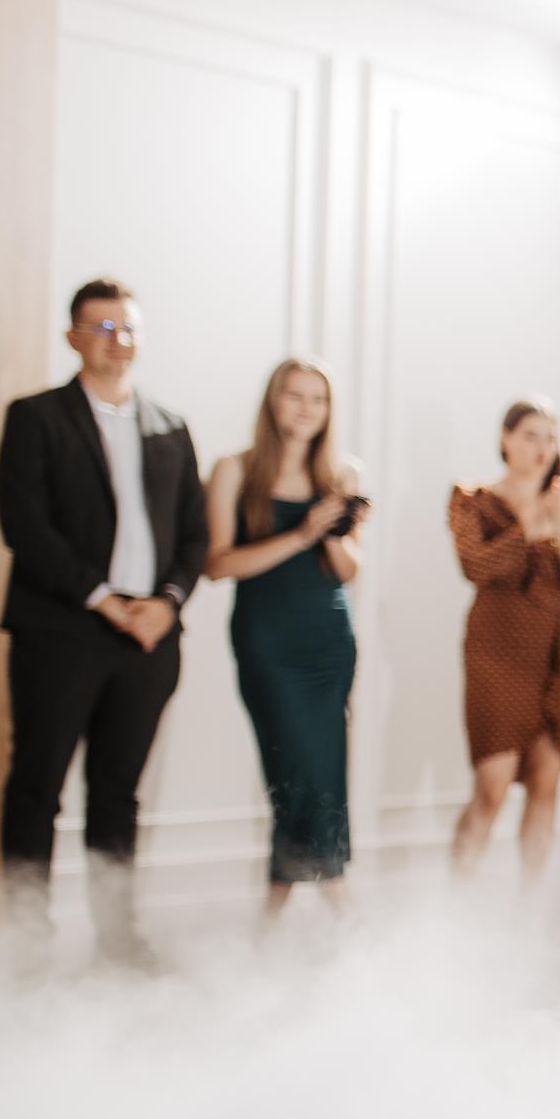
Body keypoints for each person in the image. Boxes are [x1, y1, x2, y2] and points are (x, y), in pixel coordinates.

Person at [0, 279, 208, 961]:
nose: (119, 341)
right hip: (62, 631)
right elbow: (24, 526)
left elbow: (196, 535)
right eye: (104, 328)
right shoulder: (36, 417)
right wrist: (103, 598)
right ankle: (27, 946)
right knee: (38, 788)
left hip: (149, 637)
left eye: (129, 328)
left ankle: (118, 941)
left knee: (118, 794)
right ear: (73, 338)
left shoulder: (170, 426)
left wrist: (167, 602)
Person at [203, 357, 366, 908]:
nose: (306, 409)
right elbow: (218, 564)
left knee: (319, 776)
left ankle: (272, 922)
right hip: (267, 642)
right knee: (295, 771)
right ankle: (340, 903)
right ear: (273, 401)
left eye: (318, 399)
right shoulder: (235, 469)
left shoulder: (342, 474)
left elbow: (348, 571)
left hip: (329, 643)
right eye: (295, 396)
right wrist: (302, 534)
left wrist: (331, 533)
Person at [449, 398, 560, 877]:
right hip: (495, 650)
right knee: (492, 786)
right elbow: (476, 567)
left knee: (547, 781)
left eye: (550, 438)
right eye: (530, 436)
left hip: (558, 653)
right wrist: (529, 528)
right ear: (506, 439)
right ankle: (457, 895)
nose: (542, 448)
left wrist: (559, 524)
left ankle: (530, 904)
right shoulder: (472, 499)